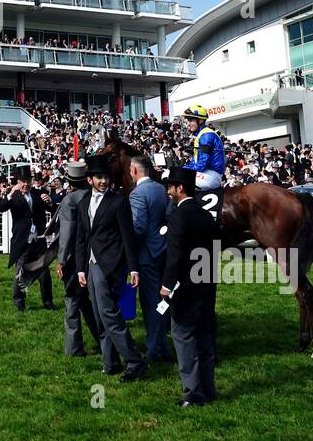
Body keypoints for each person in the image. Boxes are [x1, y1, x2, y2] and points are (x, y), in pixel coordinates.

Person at [74, 155, 147, 380]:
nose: (104, 181)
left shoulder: (118, 201)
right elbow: (81, 238)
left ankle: (134, 361)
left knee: (109, 314)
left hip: (111, 264)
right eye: (99, 177)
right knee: (98, 316)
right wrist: (80, 269)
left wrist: (133, 268)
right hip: (91, 264)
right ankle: (110, 362)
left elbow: (128, 238)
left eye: (106, 177)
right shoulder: (84, 202)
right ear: (90, 180)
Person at [160, 167, 218, 407]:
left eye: (170, 186)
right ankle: (208, 388)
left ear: (179, 188)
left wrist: (166, 285)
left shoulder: (178, 216)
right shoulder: (206, 216)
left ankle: (193, 393)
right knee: (204, 337)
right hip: (205, 282)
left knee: (183, 337)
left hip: (184, 285)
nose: (167, 190)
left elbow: (175, 255)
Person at [129, 155, 173, 364]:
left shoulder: (137, 194)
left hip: (147, 254)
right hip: (163, 250)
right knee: (162, 301)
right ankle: (161, 346)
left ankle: (155, 349)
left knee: (151, 304)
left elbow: (137, 227)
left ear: (135, 171)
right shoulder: (160, 189)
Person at [55, 159, 101, 357]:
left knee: (72, 301)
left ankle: (73, 348)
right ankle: (102, 339)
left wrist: (61, 260)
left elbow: (66, 233)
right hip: (96, 256)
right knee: (88, 303)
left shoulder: (70, 200)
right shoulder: (96, 196)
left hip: (75, 257)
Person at [0, 164, 56, 311]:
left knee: (44, 272)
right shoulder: (14, 196)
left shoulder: (38, 194)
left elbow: (53, 209)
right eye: (22, 181)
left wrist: (50, 201)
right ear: (18, 182)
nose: (25, 184)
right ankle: (19, 300)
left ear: (31, 181)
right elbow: (1, 208)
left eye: (28, 181)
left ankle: (48, 301)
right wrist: (10, 193)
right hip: (22, 241)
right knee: (20, 271)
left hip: (39, 241)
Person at [180, 105, 225, 192]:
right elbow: (195, 162)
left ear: (200, 120)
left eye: (191, 120)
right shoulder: (201, 135)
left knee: (178, 183)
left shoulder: (206, 135)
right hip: (205, 172)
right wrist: (183, 168)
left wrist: (183, 170)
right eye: (188, 121)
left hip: (211, 175)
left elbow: (203, 164)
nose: (188, 124)